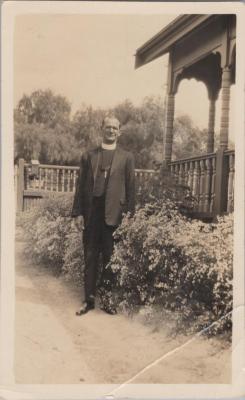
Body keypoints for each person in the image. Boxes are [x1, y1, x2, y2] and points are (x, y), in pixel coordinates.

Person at [71, 116, 135, 315]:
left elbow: (131, 188)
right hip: (92, 214)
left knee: (109, 258)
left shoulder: (126, 157)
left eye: (115, 128)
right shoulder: (89, 155)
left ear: (119, 131)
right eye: (107, 127)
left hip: (113, 215)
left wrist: (130, 216)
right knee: (90, 257)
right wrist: (78, 213)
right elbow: (80, 187)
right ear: (101, 129)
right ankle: (88, 300)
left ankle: (107, 299)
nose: (111, 131)